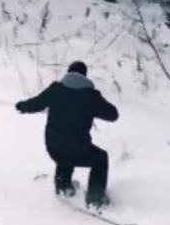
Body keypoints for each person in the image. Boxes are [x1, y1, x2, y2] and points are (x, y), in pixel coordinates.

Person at [15, 61, 119, 208]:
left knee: (64, 145)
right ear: (85, 76)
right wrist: (95, 102)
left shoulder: (56, 89)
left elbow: (35, 104)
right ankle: (95, 200)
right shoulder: (91, 96)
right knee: (99, 158)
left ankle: (63, 186)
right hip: (78, 150)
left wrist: (22, 106)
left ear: (68, 73)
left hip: (53, 148)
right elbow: (113, 115)